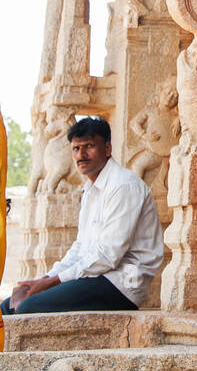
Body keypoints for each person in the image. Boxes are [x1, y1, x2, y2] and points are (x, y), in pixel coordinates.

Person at [0, 117, 162, 315]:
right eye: (76, 148)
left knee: (29, 308)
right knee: (7, 308)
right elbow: (80, 248)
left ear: (108, 148)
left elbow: (108, 256)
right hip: (94, 276)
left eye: (89, 146)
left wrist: (53, 281)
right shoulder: (90, 189)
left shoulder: (124, 185)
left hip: (122, 284)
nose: (81, 154)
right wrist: (44, 279)